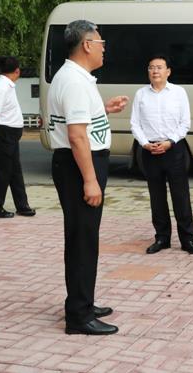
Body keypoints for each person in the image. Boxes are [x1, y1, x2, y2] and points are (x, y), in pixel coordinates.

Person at [47, 20, 129, 335]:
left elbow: (79, 121)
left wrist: (103, 109)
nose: (104, 48)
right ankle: (79, 317)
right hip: (79, 166)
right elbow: (77, 136)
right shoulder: (75, 81)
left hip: (77, 163)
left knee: (83, 239)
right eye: (101, 42)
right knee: (82, 241)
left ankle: (82, 302)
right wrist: (90, 180)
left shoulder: (75, 77)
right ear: (86, 45)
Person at [131, 54, 193, 256]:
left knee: (180, 196)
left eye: (159, 67)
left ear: (168, 71)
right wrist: (145, 143)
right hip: (150, 150)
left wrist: (170, 142)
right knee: (157, 197)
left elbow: (185, 123)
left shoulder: (178, 92)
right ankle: (162, 238)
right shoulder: (141, 94)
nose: (155, 71)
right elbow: (135, 123)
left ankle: (187, 239)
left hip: (174, 149)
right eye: (151, 67)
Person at [0, 57, 35, 218]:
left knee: (15, 171)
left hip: (9, 135)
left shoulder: (7, 85)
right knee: (2, 173)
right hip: (1, 134)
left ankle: (22, 206)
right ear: (17, 71)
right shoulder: (1, 87)